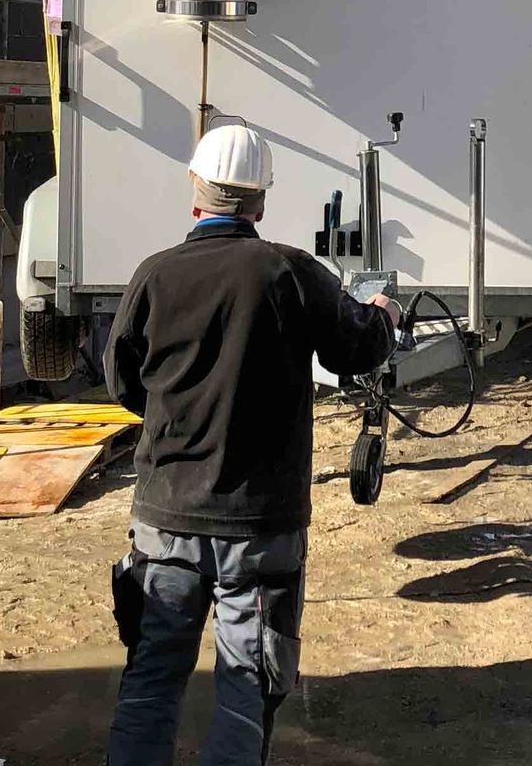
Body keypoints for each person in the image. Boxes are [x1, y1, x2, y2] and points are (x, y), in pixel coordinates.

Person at [104, 123, 400, 766]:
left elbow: (124, 382)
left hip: (165, 522)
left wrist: (179, 417)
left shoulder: (153, 276)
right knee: (245, 690)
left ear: (196, 194)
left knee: (151, 681)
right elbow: (357, 349)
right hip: (259, 528)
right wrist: (382, 312)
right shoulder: (291, 273)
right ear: (260, 203)